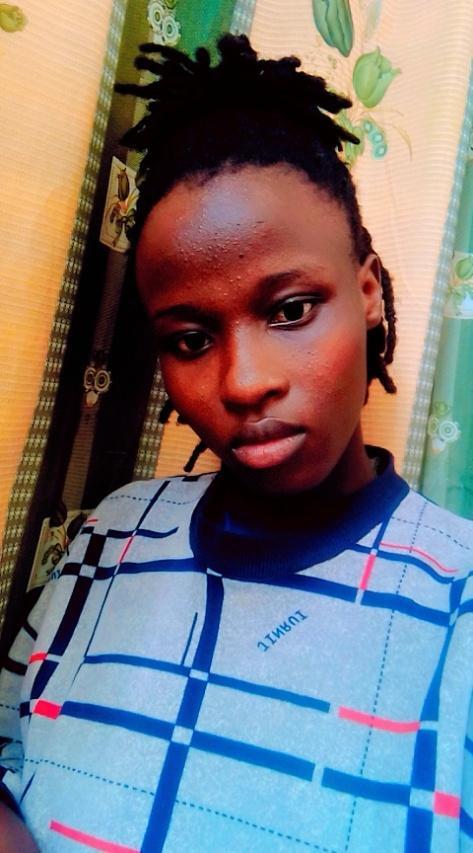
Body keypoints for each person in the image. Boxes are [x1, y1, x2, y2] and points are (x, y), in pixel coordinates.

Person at [0, 34, 472, 853]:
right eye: (189, 339)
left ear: (366, 292)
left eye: (289, 309)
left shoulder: (457, 599)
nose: (243, 382)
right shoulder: (111, 536)